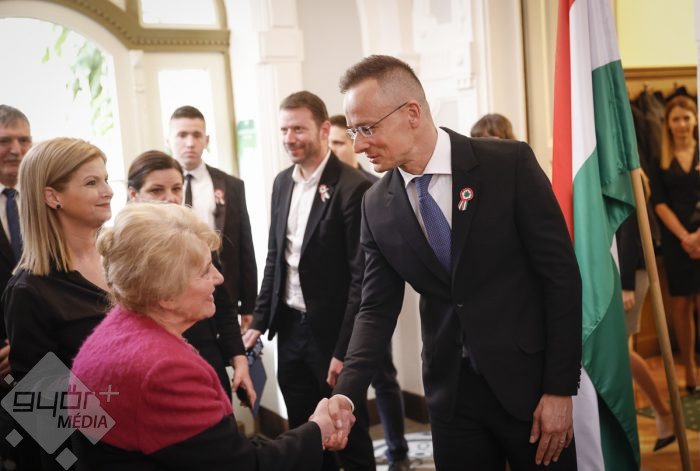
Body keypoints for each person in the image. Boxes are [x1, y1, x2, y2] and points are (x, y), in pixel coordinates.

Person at [328, 55, 582, 470]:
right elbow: (375, 308)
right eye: (354, 132)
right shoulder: (376, 205)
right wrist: (346, 393)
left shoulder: (508, 165)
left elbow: (561, 278)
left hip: (530, 386)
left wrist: (559, 388)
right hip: (451, 396)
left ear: (412, 113)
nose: (357, 145)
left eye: (367, 128)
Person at [70, 202, 352, 470]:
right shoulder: (163, 370)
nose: (218, 278)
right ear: (166, 294)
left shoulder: (115, 329)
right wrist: (318, 429)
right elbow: (245, 466)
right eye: (205, 271)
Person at [243, 91, 375, 471]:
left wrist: (344, 350)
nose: (290, 138)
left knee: (348, 434)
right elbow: (275, 258)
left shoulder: (352, 187)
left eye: (298, 129)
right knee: (305, 434)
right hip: (289, 329)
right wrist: (259, 320)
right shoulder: (281, 183)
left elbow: (360, 279)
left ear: (324, 129)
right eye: (284, 130)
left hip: (332, 334)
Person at [3, 137, 113, 469]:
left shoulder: (121, 262)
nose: (108, 191)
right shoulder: (28, 290)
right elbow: (46, 414)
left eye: (106, 179)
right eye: (92, 183)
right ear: (53, 197)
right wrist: (121, 445)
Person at [127, 150, 255, 405]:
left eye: (176, 188)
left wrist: (239, 358)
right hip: (155, 364)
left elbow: (223, 305)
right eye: (156, 190)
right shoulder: (126, 252)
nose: (170, 198)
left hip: (207, 355)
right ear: (134, 195)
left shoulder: (197, 236)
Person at [328, 113, 410, 470]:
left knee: (383, 375)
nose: (334, 150)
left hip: (370, 299)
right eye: (330, 143)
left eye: (339, 142)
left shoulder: (374, 187)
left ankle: (397, 449)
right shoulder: (328, 190)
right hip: (342, 306)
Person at [168, 106, 257, 329]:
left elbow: (244, 245)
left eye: (196, 135)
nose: (190, 143)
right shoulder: (155, 186)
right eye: (182, 135)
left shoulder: (231, 185)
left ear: (206, 140)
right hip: (171, 291)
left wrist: (249, 305)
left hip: (221, 290)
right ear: (169, 140)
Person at [649, 95, 700, 393]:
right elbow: (659, 203)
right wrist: (686, 237)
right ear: (667, 124)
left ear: (695, 119)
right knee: (681, 304)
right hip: (676, 240)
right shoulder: (660, 158)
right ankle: (689, 369)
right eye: (675, 119)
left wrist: (698, 236)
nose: (681, 124)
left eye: (686, 117)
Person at [0, 105, 32, 470]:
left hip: (48, 359)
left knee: (65, 450)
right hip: (1, 364)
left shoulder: (48, 198)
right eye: (4, 141)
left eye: (24, 140)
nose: (16, 150)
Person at [329, 115, 379, 182]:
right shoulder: (317, 182)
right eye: (326, 143)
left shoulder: (375, 185)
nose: (330, 149)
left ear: (355, 144)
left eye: (337, 143)